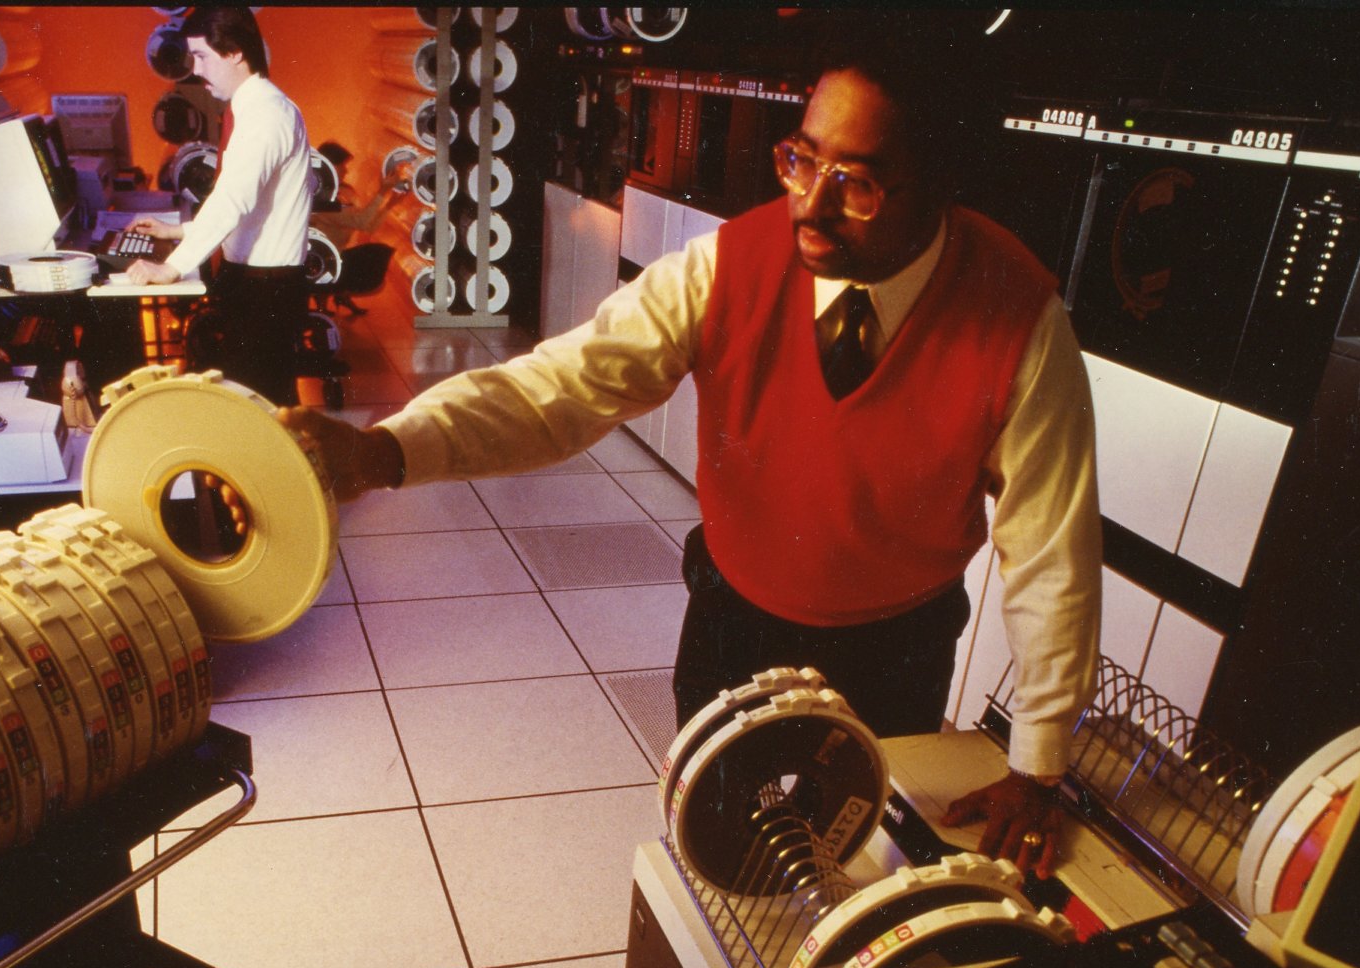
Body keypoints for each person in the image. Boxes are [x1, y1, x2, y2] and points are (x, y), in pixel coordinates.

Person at [283, 28, 1102, 879]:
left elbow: (1051, 551)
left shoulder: (1019, 323)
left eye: (854, 183)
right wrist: (384, 450)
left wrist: (1037, 763)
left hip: (897, 649)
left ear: (939, 186)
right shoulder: (729, 266)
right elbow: (560, 388)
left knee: (858, 856)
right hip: (735, 616)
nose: (809, 205)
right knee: (715, 848)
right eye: (800, 160)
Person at [126, 7, 311, 406]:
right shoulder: (253, 108)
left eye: (203, 56)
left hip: (267, 289)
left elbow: (233, 200)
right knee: (262, 409)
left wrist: (170, 266)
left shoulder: (266, 115)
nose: (195, 69)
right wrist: (180, 232)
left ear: (235, 53)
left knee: (260, 412)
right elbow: (252, 208)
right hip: (257, 282)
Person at [309, 141, 408, 250]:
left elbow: (368, 226)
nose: (345, 170)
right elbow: (360, 222)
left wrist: (389, 205)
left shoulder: (343, 192)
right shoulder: (321, 198)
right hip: (327, 257)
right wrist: (382, 191)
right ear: (328, 166)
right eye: (341, 165)